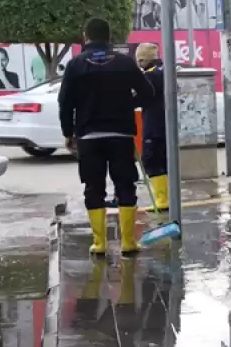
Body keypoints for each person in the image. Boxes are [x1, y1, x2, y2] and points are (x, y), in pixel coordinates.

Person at [59, 18, 155, 256]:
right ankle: (128, 243)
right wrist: (126, 105)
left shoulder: (75, 65)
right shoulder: (124, 63)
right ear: (109, 36)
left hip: (88, 136)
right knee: (125, 185)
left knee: (93, 187)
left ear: (85, 36)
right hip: (121, 135)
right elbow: (148, 93)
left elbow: (65, 103)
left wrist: (68, 132)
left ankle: (100, 243)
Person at [135, 43, 169, 212]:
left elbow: (141, 98)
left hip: (154, 123)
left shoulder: (150, 76)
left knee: (151, 159)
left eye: (139, 60)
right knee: (163, 160)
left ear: (143, 59)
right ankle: (167, 197)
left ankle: (162, 199)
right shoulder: (164, 71)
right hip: (166, 123)